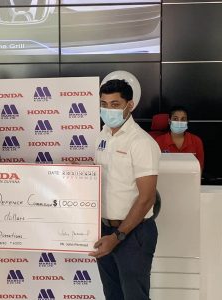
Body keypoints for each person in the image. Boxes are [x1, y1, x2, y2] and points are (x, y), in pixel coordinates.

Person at [89, 79, 161, 300]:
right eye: (103, 103)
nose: (107, 109)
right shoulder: (102, 136)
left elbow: (147, 198)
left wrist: (118, 236)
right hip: (105, 230)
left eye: (115, 104)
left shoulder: (141, 142)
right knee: (112, 294)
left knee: (134, 296)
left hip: (132, 234)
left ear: (129, 105)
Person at [155, 106, 204, 172]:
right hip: (166, 179)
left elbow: (199, 168)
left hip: (189, 180)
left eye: (183, 119)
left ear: (187, 122)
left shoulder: (196, 141)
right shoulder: (158, 141)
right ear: (169, 121)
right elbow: (154, 168)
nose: (179, 122)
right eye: (175, 119)